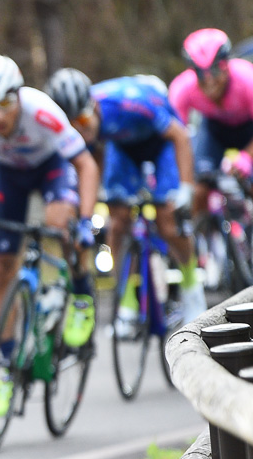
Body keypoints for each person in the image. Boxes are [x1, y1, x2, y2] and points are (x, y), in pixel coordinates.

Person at [0, 55, 100, 418]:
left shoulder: (42, 111)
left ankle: (80, 295)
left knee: (61, 223)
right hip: (7, 174)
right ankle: (5, 366)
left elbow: (86, 164)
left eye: (5, 104)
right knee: (0, 267)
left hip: (52, 169)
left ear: (18, 95)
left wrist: (87, 220)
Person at [45, 68, 207, 325]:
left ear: (94, 106)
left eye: (84, 123)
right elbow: (89, 161)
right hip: (122, 148)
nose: (81, 131)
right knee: (118, 221)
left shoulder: (131, 104)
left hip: (161, 144)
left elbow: (179, 137)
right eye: (73, 127)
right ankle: (126, 300)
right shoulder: (84, 123)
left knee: (167, 219)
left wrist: (186, 188)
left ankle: (191, 287)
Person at [169, 28, 253, 208]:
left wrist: (246, 156)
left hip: (249, 128)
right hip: (214, 130)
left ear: (227, 63)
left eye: (216, 70)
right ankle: (202, 231)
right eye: (201, 73)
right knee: (199, 189)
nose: (210, 80)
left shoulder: (247, 78)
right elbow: (176, 137)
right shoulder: (182, 89)